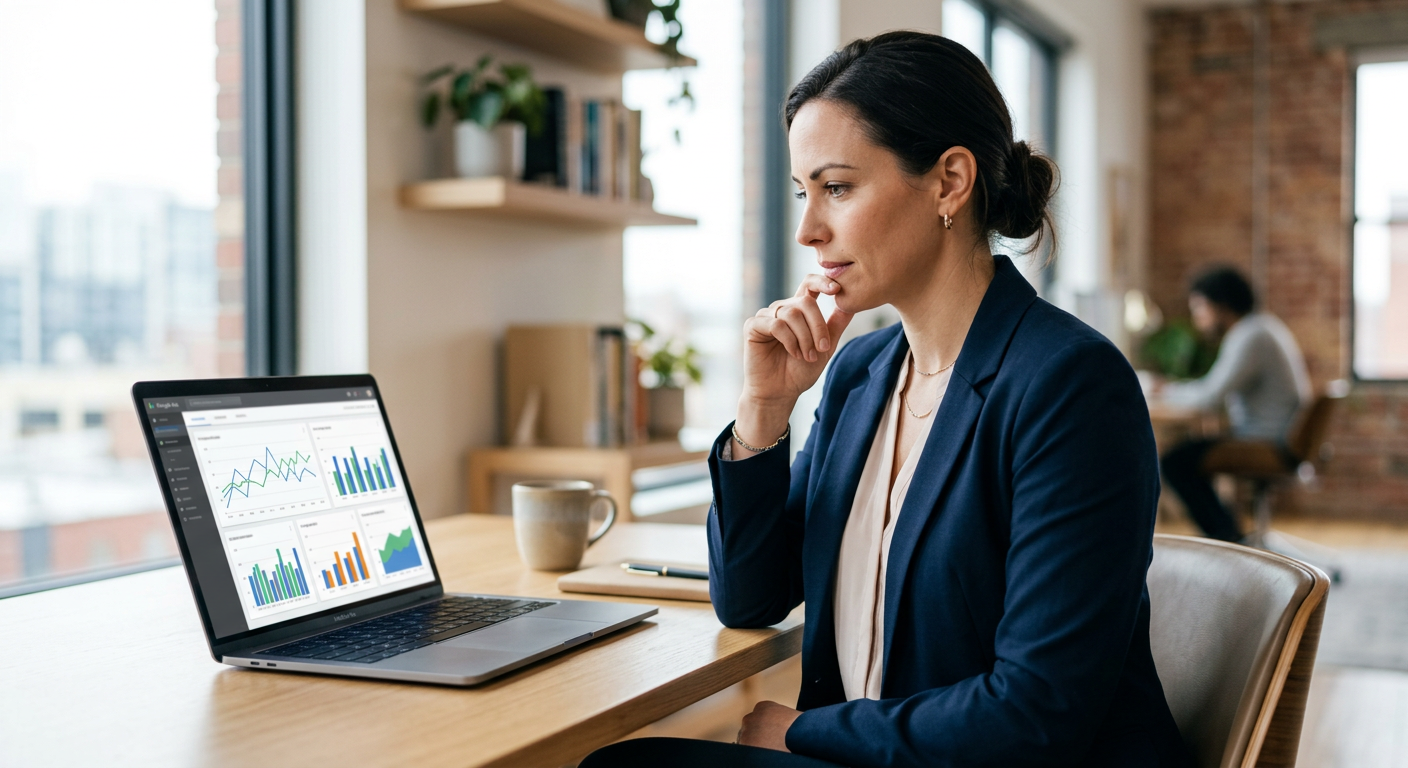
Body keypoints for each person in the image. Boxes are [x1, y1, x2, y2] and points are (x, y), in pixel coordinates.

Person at [582, 31, 1190, 768]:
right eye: (804, 192)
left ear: (949, 183)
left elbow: (1037, 714)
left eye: (837, 188)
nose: (808, 229)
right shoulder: (861, 374)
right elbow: (748, 599)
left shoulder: (1069, 386)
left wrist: (808, 732)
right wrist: (762, 414)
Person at [1158, 267, 1311, 542]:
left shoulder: (1250, 336)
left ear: (1221, 305)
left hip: (1268, 442)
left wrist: (1165, 391)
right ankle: (1230, 537)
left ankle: (1228, 541)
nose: (1198, 319)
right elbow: (1212, 389)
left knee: (1175, 463)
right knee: (1187, 457)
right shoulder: (1261, 327)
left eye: (1200, 308)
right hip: (1278, 435)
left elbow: (1210, 396)